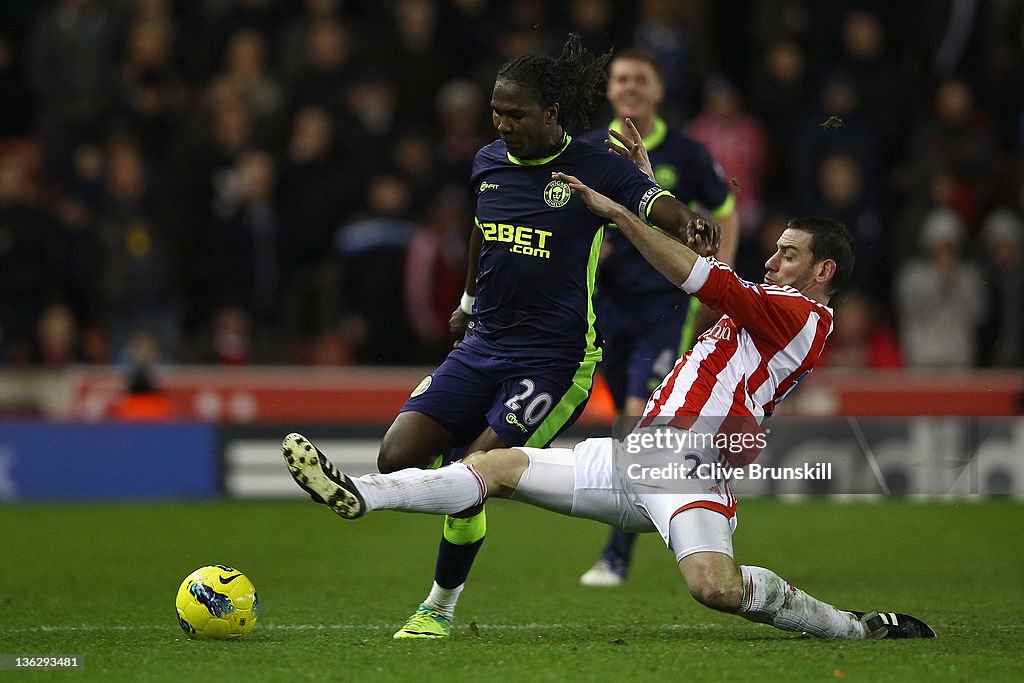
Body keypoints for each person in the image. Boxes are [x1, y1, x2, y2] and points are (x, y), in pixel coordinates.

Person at [282, 171, 935, 641]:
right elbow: (708, 272)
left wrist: (621, 210)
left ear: (823, 272)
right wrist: (649, 191)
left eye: (789, 253)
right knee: (498, 467)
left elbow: (697, 275)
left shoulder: (804, 318)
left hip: (691, 469)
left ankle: (852, 627)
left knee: (715, 587)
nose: (774, 258)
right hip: (639, 453)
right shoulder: (769, 309)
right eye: (775, 248)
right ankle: (363, 494)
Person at [342, 34, 710, 639]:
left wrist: (689, 222)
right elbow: (481, 231)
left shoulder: (593, 168)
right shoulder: (488, 162)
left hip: (555, 360)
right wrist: (465, 300)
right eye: (497, 111)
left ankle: (436, 605)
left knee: (476, 469)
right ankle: (437, 487)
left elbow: (656, 204)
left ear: (552, 114)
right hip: (484, 341)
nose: (503, 124)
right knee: (397, 454)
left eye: (516, 114)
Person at [577, 47, 740, 587]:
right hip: (606, 306)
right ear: (608, 89)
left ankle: (617, 555)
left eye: (640, 80)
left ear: (658, 90)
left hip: (666, 305)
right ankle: (673, 515)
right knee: (628, 424)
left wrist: (719, 280)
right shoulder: (588, 151)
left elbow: (723, 210)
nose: (630, 88)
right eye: (621, 79)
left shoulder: (688, 152)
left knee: (635, 419)